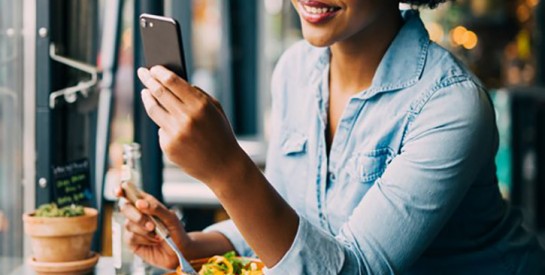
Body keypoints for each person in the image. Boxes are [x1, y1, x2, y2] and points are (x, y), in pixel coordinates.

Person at [117, 0, 545, 274]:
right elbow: (291, 224)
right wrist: (190, 245)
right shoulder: (294, 72)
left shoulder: (450, 106)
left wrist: (226, 169)